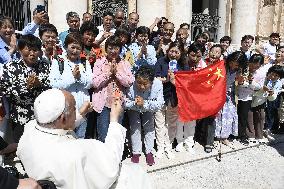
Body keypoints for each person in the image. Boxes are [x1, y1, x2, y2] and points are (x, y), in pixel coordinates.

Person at [17, 89, 153, 189]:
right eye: (74, 107)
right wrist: (114, 119)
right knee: (135, 173)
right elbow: (111, 163)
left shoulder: (30, 129)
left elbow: (57, 128)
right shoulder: (79, 151)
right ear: (63, 118)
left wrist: (80, 114)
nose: (76, 109)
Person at [0, 34, 50, 143]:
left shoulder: (44, 66)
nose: (32, 53)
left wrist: (39, 85)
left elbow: (51, 88)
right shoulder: (11, 67)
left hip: (41, 117)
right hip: (19, 117)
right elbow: (6, 89)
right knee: (22, 147)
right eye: (28, 49)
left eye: (35, 50)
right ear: (20, 49)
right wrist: (26, 87)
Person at [49, 32, 92, 139]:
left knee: (81, 137)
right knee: (65, 138)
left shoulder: (84, 62)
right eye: (72, 47)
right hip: (65, 111)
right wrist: (72, 78)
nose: (75, 50)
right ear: (65, 46)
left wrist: (80, 78)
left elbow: (91, 83)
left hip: (83, 109)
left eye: (78, 48)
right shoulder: (58, 61)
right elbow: (54, 85)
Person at [92, 35, 134, 142]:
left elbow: (129, 82)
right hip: (103, 103)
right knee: (103, 133)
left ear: (120, 49)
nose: (113, 51)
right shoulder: (99, 62)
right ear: (106, 48)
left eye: (116, 48)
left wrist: (117, 74)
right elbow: (95, 83)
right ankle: (104, 157)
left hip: (118, 103)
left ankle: (115, 156)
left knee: (116, 133)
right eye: (110, 48)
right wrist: (109, 73)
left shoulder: (125, 63)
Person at [154, 41, 188, 159]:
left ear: (181, 53)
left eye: (177, 52)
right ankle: (160, 147)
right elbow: (155, 78)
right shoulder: (161, 62)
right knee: (159, 124)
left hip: (175, 98)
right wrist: (166, 79)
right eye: (172, 51)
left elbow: (187, 82)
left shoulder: (184, 65)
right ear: (168, 51)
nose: (173, 54)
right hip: (160, 96)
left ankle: (168, 146)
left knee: (172, 124)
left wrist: (175, 81)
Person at [125, 66, 164, 166]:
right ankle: (136, 152)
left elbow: (159, 104)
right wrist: (134, 103)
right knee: (135, 128)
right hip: (133, 108)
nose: (142, 86)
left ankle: (149, 152)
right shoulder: (131, 84)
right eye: (139, 83)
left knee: (149, 128)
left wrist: (145, 103)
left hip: (148, 108)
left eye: (145, 84)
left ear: (151, 82)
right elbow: (124, 102)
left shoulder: (158, 84)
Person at [215, 51, 246, 148]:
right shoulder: (221, 66)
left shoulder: (239, 71)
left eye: (236, 64)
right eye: (232, 62)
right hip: (217, 94)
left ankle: (224, 137)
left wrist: (240, 82)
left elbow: (238, 84)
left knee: (228, 116)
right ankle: (215, 135)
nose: (233, 66)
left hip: (229, 95)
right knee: (218, 116)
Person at [237, 54, 269, 144]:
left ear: (261, 65)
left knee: (244, 117)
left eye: (257, 66)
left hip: (247, 97)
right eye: (252, 64)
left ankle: (242, 135)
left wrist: (250, 82)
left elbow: (259, 87)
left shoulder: (261, 73)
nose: (254, 67)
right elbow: (237, 80)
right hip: (236, 94)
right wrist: (241, 81)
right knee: (235, 115)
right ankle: (234, 134)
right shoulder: (242, 68)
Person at [264, 65, 284, 137]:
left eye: (276, 75)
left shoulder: (278, 83)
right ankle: (268, 126)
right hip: (266, 98)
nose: (273, 76)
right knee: (267, 112)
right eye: (272, 74)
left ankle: (270, 128)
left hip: (273, 99)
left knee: (272, 113)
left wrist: (271, 91)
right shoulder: (267, 79)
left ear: (279, 77)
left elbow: (275, 91)